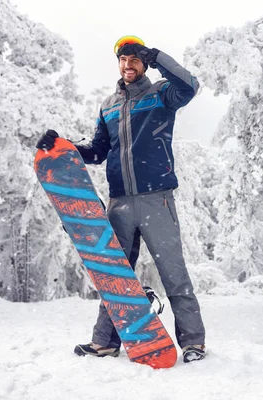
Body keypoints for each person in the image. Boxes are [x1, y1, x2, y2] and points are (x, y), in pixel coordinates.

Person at [36, 35, 206, 363]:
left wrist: (157, 56)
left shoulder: (161, 95)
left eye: (135, 59)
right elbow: (98, 150)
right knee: (114, 273)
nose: (128, 65)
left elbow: (190, 85)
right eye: (123, 59)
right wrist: (63, 146)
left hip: (156, 198)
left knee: (174, 273)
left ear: (143, 63)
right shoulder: (108, 106)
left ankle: (193, 343)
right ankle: (106, 341)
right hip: (120, 203)